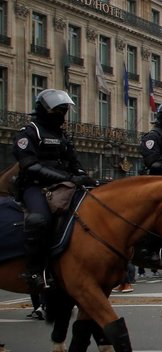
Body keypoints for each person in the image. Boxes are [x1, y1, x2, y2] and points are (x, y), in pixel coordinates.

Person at [13, 89, 97, 288]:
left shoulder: (62, 135)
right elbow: (30, 166)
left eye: (63, 110)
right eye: (57, 110)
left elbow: (73, 162)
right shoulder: (29, 132)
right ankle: (34, 271)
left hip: (65, 185)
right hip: (34, 186)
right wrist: (68, 178)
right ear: (43, 110)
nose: (61, 114)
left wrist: (84, 177)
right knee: (39, 219)